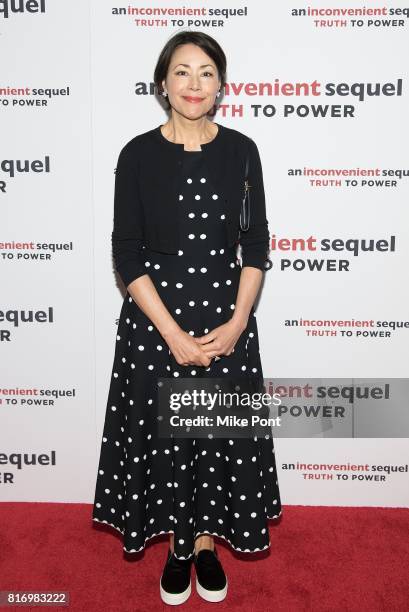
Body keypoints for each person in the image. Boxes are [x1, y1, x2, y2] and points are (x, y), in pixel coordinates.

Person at [92, 30, 282, 605]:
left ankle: (205, 543)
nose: (193, 84)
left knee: (214, 435)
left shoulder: (242, 150)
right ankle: (178, 542)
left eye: (206, 72)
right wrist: (171, 333)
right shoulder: (137, 154)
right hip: (156, 327)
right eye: (182, 72)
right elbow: (127, 252)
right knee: (167, 439)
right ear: (162, 84)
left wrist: (238, 321)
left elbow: (255, 244)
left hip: (227, 321)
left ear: (221, 85)